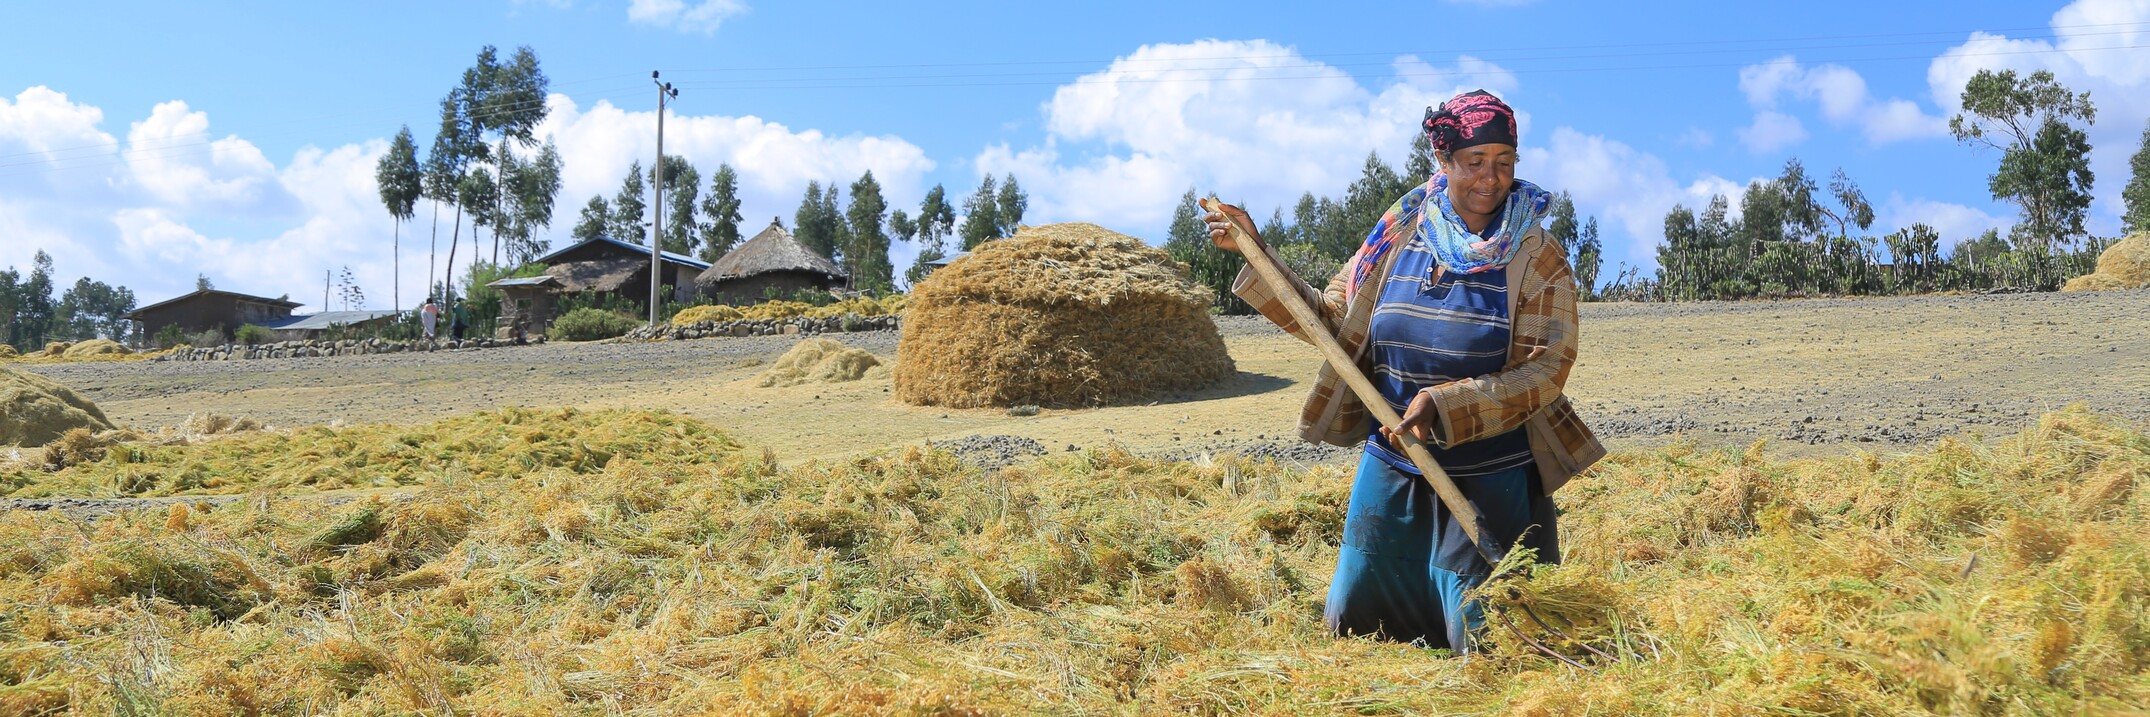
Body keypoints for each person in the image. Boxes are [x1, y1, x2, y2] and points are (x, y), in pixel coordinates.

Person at [1205, 90, 1603, 653]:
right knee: (1354, 621)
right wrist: (1257, 254)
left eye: (1504, 162)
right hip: (1393, 461)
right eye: (1474, 162)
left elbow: (1546, 369)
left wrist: (1446, 405)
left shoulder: (1536, 254)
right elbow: (1332, 321)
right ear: (1443, 161)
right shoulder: (1398, 235)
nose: (1491, 178)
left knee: (1487, 638)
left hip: (1487, 472)